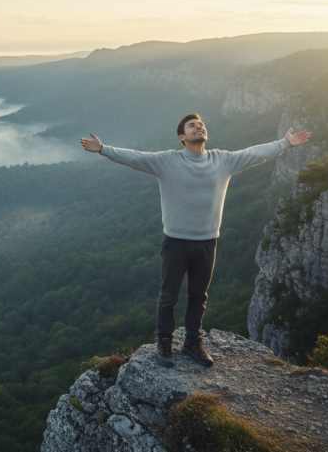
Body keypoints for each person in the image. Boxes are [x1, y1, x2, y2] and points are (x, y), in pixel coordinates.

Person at [80, 114, 310, 368]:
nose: (198, 127)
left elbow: (255, 153)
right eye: (192, 126)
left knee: (198, 297)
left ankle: (192, 343)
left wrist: (285, 143)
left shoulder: (222, 160)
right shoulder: (168, 161)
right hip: (176, 242)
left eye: (201, 124)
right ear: (182, 137)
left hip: (207, 242)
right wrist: (102, 149)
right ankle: (165, 342)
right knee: (169, 297)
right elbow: (136, 157)